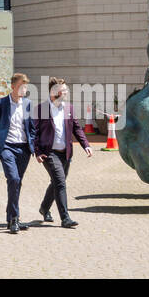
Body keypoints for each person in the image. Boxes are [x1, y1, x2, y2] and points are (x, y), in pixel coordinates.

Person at [32, 77, 92, 228]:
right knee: (60, 182)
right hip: (49, 152)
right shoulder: (41, 109)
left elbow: (77, 128)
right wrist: (37, 152)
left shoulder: (69, 108)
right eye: (63, 90)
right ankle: (65, 218)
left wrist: (86, 145)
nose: (66, 92)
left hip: (66, 153)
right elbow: (34, 133)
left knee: (56, 182)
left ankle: (44, 208)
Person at [0, 73, 37, 234]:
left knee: (16, 183)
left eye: (26, 87)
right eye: (22, 86)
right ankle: (15, 219)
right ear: (13, 86)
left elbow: (32, 128)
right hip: (7, 148)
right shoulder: (0, 104)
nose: (24, 89)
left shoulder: (28, 104)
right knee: (14, 179)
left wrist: (35, 148)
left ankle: (11, 219)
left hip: (23, 149)